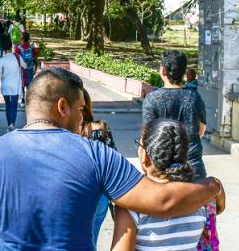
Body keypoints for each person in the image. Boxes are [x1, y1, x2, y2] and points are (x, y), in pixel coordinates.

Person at [0, 68, 225, 251]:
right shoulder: (95, 155)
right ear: (63, 107)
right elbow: (163, 200)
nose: (83, 118)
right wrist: (212, 186)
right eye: (80, 109)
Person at [111, 119, 215, 251]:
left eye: (139, 144)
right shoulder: (203, 198)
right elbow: (209, 242)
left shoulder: (130, 205)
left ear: (146, 157)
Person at [142, 50, 208, 179]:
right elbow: (201, 130)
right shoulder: (194, 97)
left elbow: (147, 136)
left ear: (163, 71)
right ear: (184, 72)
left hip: (162, 171)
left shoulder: (152, 99)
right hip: (193, 169)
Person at [78, 88, 118, 244]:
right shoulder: (100, 129)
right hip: (99, 195)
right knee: (92, 240)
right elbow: (113, 161)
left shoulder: (65, 132)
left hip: (73, 194)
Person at [0, 38, 25, 131]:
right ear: (11, 46)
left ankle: (9, 124)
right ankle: (12, 123)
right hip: (15, 87)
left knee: (8, 105)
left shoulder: (2, 60)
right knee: (14, 106)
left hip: (5, 87)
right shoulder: (17, 57)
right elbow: (25, 66)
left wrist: (3, 71)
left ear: (3, 48)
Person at [14, 32, 39, 102]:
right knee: (29, 85)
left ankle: (22, 100)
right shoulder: (32, 48)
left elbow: (16, 61)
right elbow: (36, 60)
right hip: (30, 69)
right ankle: (29, 100)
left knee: (21, 83)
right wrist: (35, 69)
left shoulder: (18, 49)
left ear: (21, 39)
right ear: (29, 39)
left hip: (21, 69)